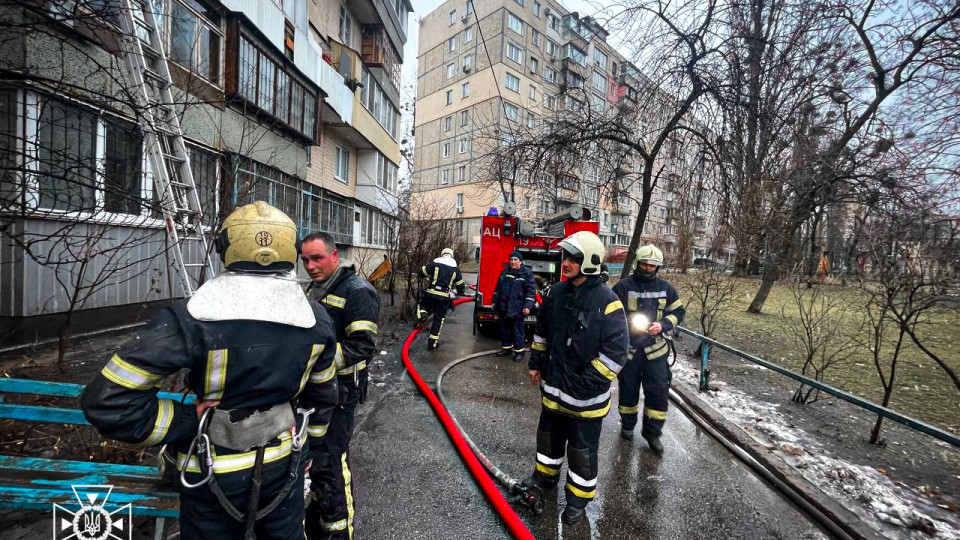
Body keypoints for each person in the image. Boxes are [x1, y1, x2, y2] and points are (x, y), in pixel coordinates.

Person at [81, 201, 339, 539]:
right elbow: (323, 396)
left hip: (211, 472)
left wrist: (188, 421)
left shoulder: (191, 319)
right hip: (284, 465)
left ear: (224, 249)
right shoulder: (315, 318)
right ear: (290, 251)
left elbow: (107, 401)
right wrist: (311, 451)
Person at [522, 231, 629, 526]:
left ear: (590, 263)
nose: (565, 262)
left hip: (585, 403)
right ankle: (544, 479)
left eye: (573, 258)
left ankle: (578, 501)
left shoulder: (608, 302)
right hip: (554, 393)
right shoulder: (555, 293)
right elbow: (542, 332)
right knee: (548, 441)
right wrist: (535, 362)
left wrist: (585, 383)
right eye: (565, 257)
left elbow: (616, 354)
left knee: (581, 453)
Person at [301, 232, 381, 540]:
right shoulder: (317, 287)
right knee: (314, 461)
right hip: (315, 392)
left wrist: (312, 363)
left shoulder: (358, 292)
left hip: (341, 393)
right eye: (305, 259)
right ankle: (316, 523)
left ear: (335, 256)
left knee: (331, 464)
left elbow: (362, 345)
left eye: (317, 258)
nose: (310, 265)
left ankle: (338, 531)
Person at [611, 244, 686, 455]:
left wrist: (663, 325)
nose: (648, 268)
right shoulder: (623, 287)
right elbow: (610, 313)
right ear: (637, 264)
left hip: (657, 350)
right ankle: (627, 424)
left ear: (658, 267)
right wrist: (626, 322)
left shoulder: (666, 288)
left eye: (652, 265)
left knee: (658, 392)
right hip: (631, 350)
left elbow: (678, 311)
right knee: (628, 389)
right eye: (644, 264)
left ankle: (652, 433)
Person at [417, 247, 466, 350]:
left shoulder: (435, 263)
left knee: (423, 305)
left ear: (442, 254)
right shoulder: (455, 268)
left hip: (431, 293)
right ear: (451, 255)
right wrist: (459, 292)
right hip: (444, 298)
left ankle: (422, 315)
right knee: (438, 320)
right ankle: (432, 343)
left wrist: (422, 271)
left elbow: (422, 272)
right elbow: (461, 287)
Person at [492, 250, 536, 362]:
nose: (513, 261)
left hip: (517, 308)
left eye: (515, 259)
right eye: (511, 259)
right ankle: (506, 349)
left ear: (521, 261)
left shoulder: (526, 273)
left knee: (517, 331)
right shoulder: (505, 272)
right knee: (504, 330)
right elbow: (498, 288)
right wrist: (495, 301)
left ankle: (519, 352)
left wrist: (527, 306)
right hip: (504, 306)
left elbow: (530, 292)